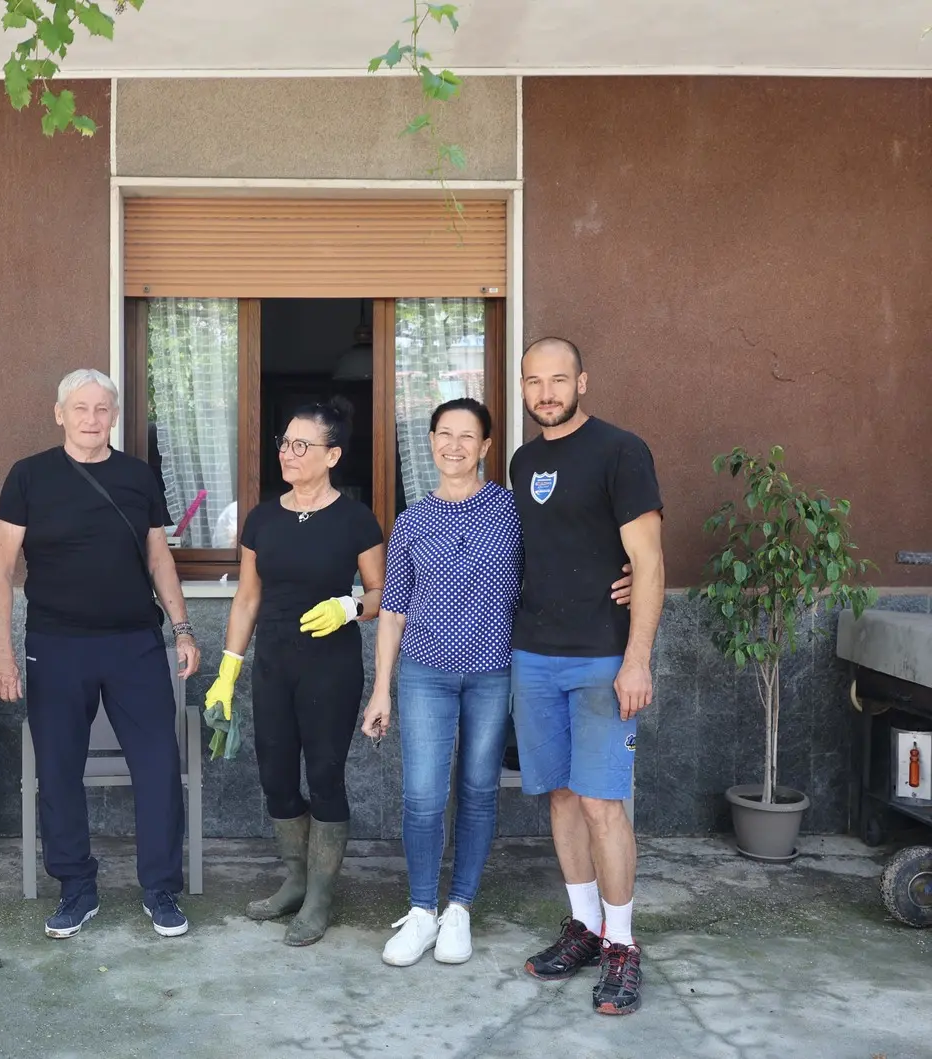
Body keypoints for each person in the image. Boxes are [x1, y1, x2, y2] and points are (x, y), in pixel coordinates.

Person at [362, 398, 633, 967]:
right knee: (422, 795)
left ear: (487, 447)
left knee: (480, 790)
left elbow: (566, 552)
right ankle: (421, 912)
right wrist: (382, 685)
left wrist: (626, 573)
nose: (454, 446)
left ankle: (459, 908)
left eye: (468, 436)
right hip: (423, 673)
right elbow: (393, 608)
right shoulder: (411, 520)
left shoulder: (512, 511)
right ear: (430, 441)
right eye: (444, 434)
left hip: (493, 673)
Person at [0, 368, 201, 940]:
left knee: (157, 766)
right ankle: (77, 887)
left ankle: (160, 890)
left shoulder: (137, 477)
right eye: (79, 408)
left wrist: (181, 629)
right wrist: (1, 654)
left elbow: (159, 560)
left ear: (113, 415)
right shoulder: (28, 476)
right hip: (54, 646)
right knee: (57, 772)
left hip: (134, 644)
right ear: (59, 413)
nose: (90, 419)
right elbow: (0, 570)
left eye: (101, 409)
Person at [510, 337, 664, 1016]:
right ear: (522, 386)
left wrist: (637, 658)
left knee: (604, 803)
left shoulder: (621, 451)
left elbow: (650, 561)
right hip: (534, 654)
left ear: (583, 381)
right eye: (534, 381)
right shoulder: (522, 461)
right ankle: (584, 926)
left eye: (558, 379)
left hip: (603, 656)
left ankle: (623, 945)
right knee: (563, 798)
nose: (546, 392)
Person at [205, 397, 386, 947]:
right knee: (276, 777)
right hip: (273, 663)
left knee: (325, 776)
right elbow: (247, 598)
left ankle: (321, 897)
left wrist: (350, 606)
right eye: (284, 442)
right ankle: (296, 879)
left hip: (331, 667)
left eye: (301, 445)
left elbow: (383, 593)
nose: (288, 452)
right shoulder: (262, 518)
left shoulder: (356, 519)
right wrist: (228, 671)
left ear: (331, 455)